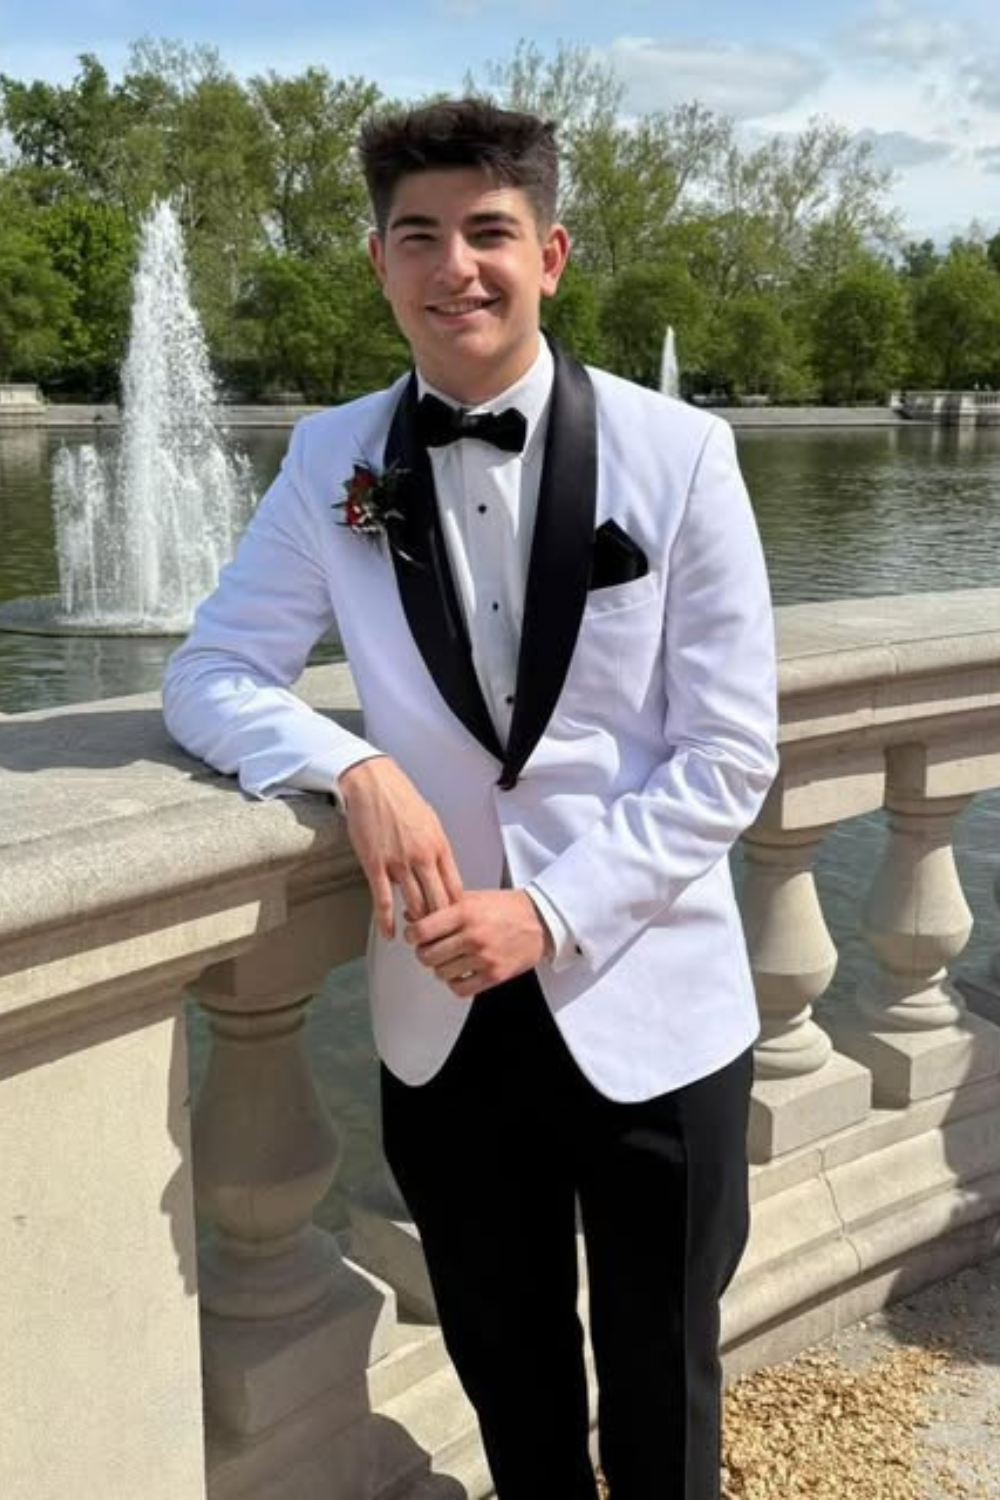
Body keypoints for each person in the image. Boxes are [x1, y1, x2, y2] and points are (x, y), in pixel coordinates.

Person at [163, 97, 778, 1500]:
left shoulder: (682, 452)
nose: (457, 268)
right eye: (419, 235)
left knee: (665, 1387)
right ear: (379, 262)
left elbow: (729, 754)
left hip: (651, 1001)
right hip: (439, 1014)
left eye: (489, 232)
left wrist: (547, 913)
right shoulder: (331, 459)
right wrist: (351, 767)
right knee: (508, 1375)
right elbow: (212, 671)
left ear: (548, 254)